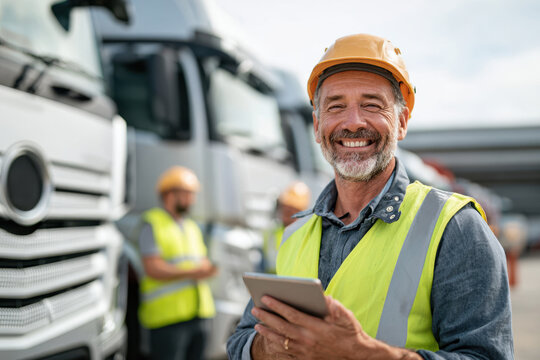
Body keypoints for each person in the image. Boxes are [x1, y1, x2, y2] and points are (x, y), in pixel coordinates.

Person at [227, 34, 513, 359]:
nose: (353, 123)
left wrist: (360, 353)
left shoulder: (455, 228)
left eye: (371, 105)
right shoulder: (294, 236)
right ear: (318, 126)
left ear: (402, 122)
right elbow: (240, 344)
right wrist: (271, 347)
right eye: (336, 106)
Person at [138, 166, 217, 360]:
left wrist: (207, 269)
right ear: (170, 194)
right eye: (188, 194)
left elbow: (201, 261)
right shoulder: (152, 223)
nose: (192, 199)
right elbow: (152, 268)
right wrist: (192, 272)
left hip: (199, 314)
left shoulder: (191, 227)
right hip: (167, 320)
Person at [262, 181, 311, 273]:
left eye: (290, 209)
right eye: (284, 207)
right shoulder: (271, 231)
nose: (285, 212)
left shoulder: (305, 235)